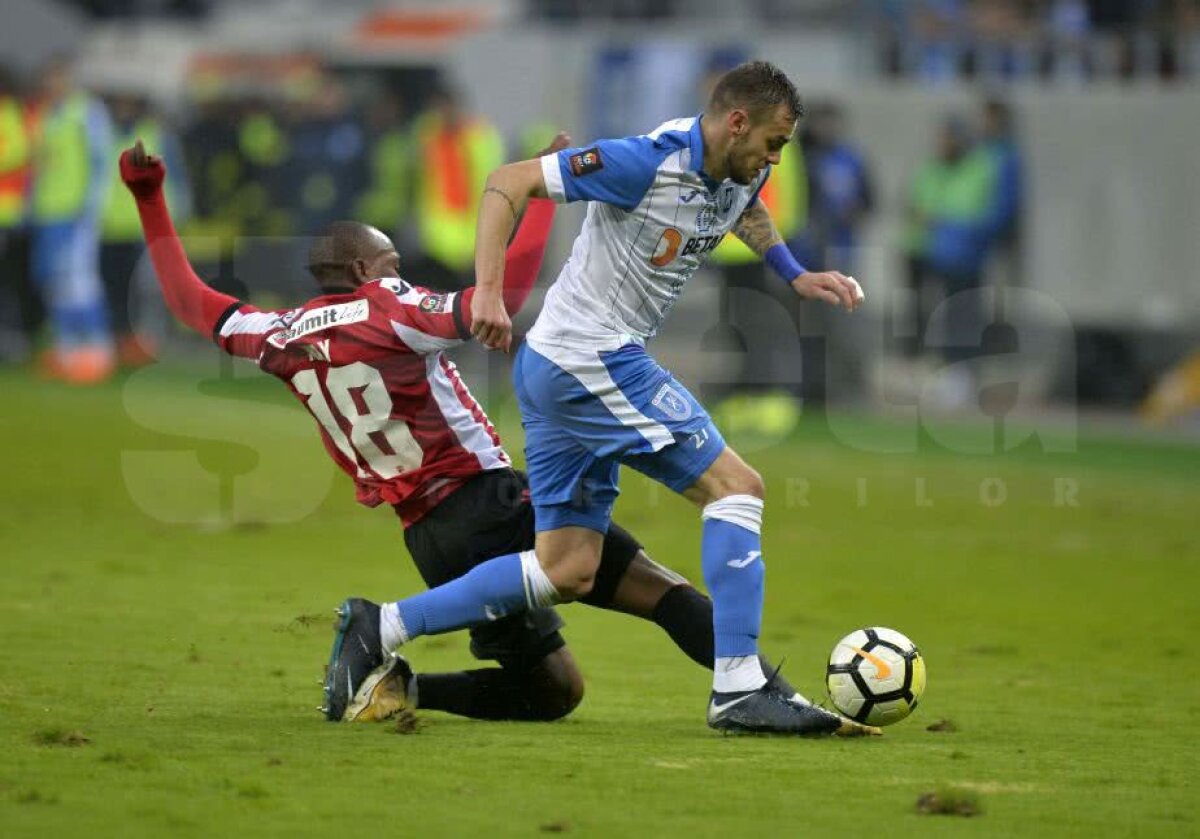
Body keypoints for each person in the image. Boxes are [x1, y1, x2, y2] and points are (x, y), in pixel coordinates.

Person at [117, 137, 811, 728]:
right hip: (486, 500)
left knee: (553, 691)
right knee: (659, 590)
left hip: (428, 536)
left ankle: (395, 686)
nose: (400, 273)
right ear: (362, 271)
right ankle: (757, 692)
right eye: (391, 264)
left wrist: (149, 199)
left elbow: (189, 302)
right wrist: (540, 203)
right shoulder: (388, 308)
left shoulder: (279, 334)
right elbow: (496, 300)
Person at [323, 61, 875, 737]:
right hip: (592, 358)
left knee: (568, 567)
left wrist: (794, 272)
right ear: (736, 122)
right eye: (773, 143)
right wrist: (488, 291)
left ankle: (380, 625)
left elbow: (745, 203)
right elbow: (507, 182)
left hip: (559, 366)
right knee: (738, 488)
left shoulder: (737, 168)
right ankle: (738, 688)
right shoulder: (642, 162)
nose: (776, 160)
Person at [29, 56, 115, 384]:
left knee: (80, 281)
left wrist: (92, 208)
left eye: (58, 78)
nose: (52, 85)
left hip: (76, 213)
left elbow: (101, 161)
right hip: (48, 212)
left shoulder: (87, 112)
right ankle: (65, 350)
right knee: (54, 282)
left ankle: (97, 350)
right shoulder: (48, 115)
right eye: (48, 79)